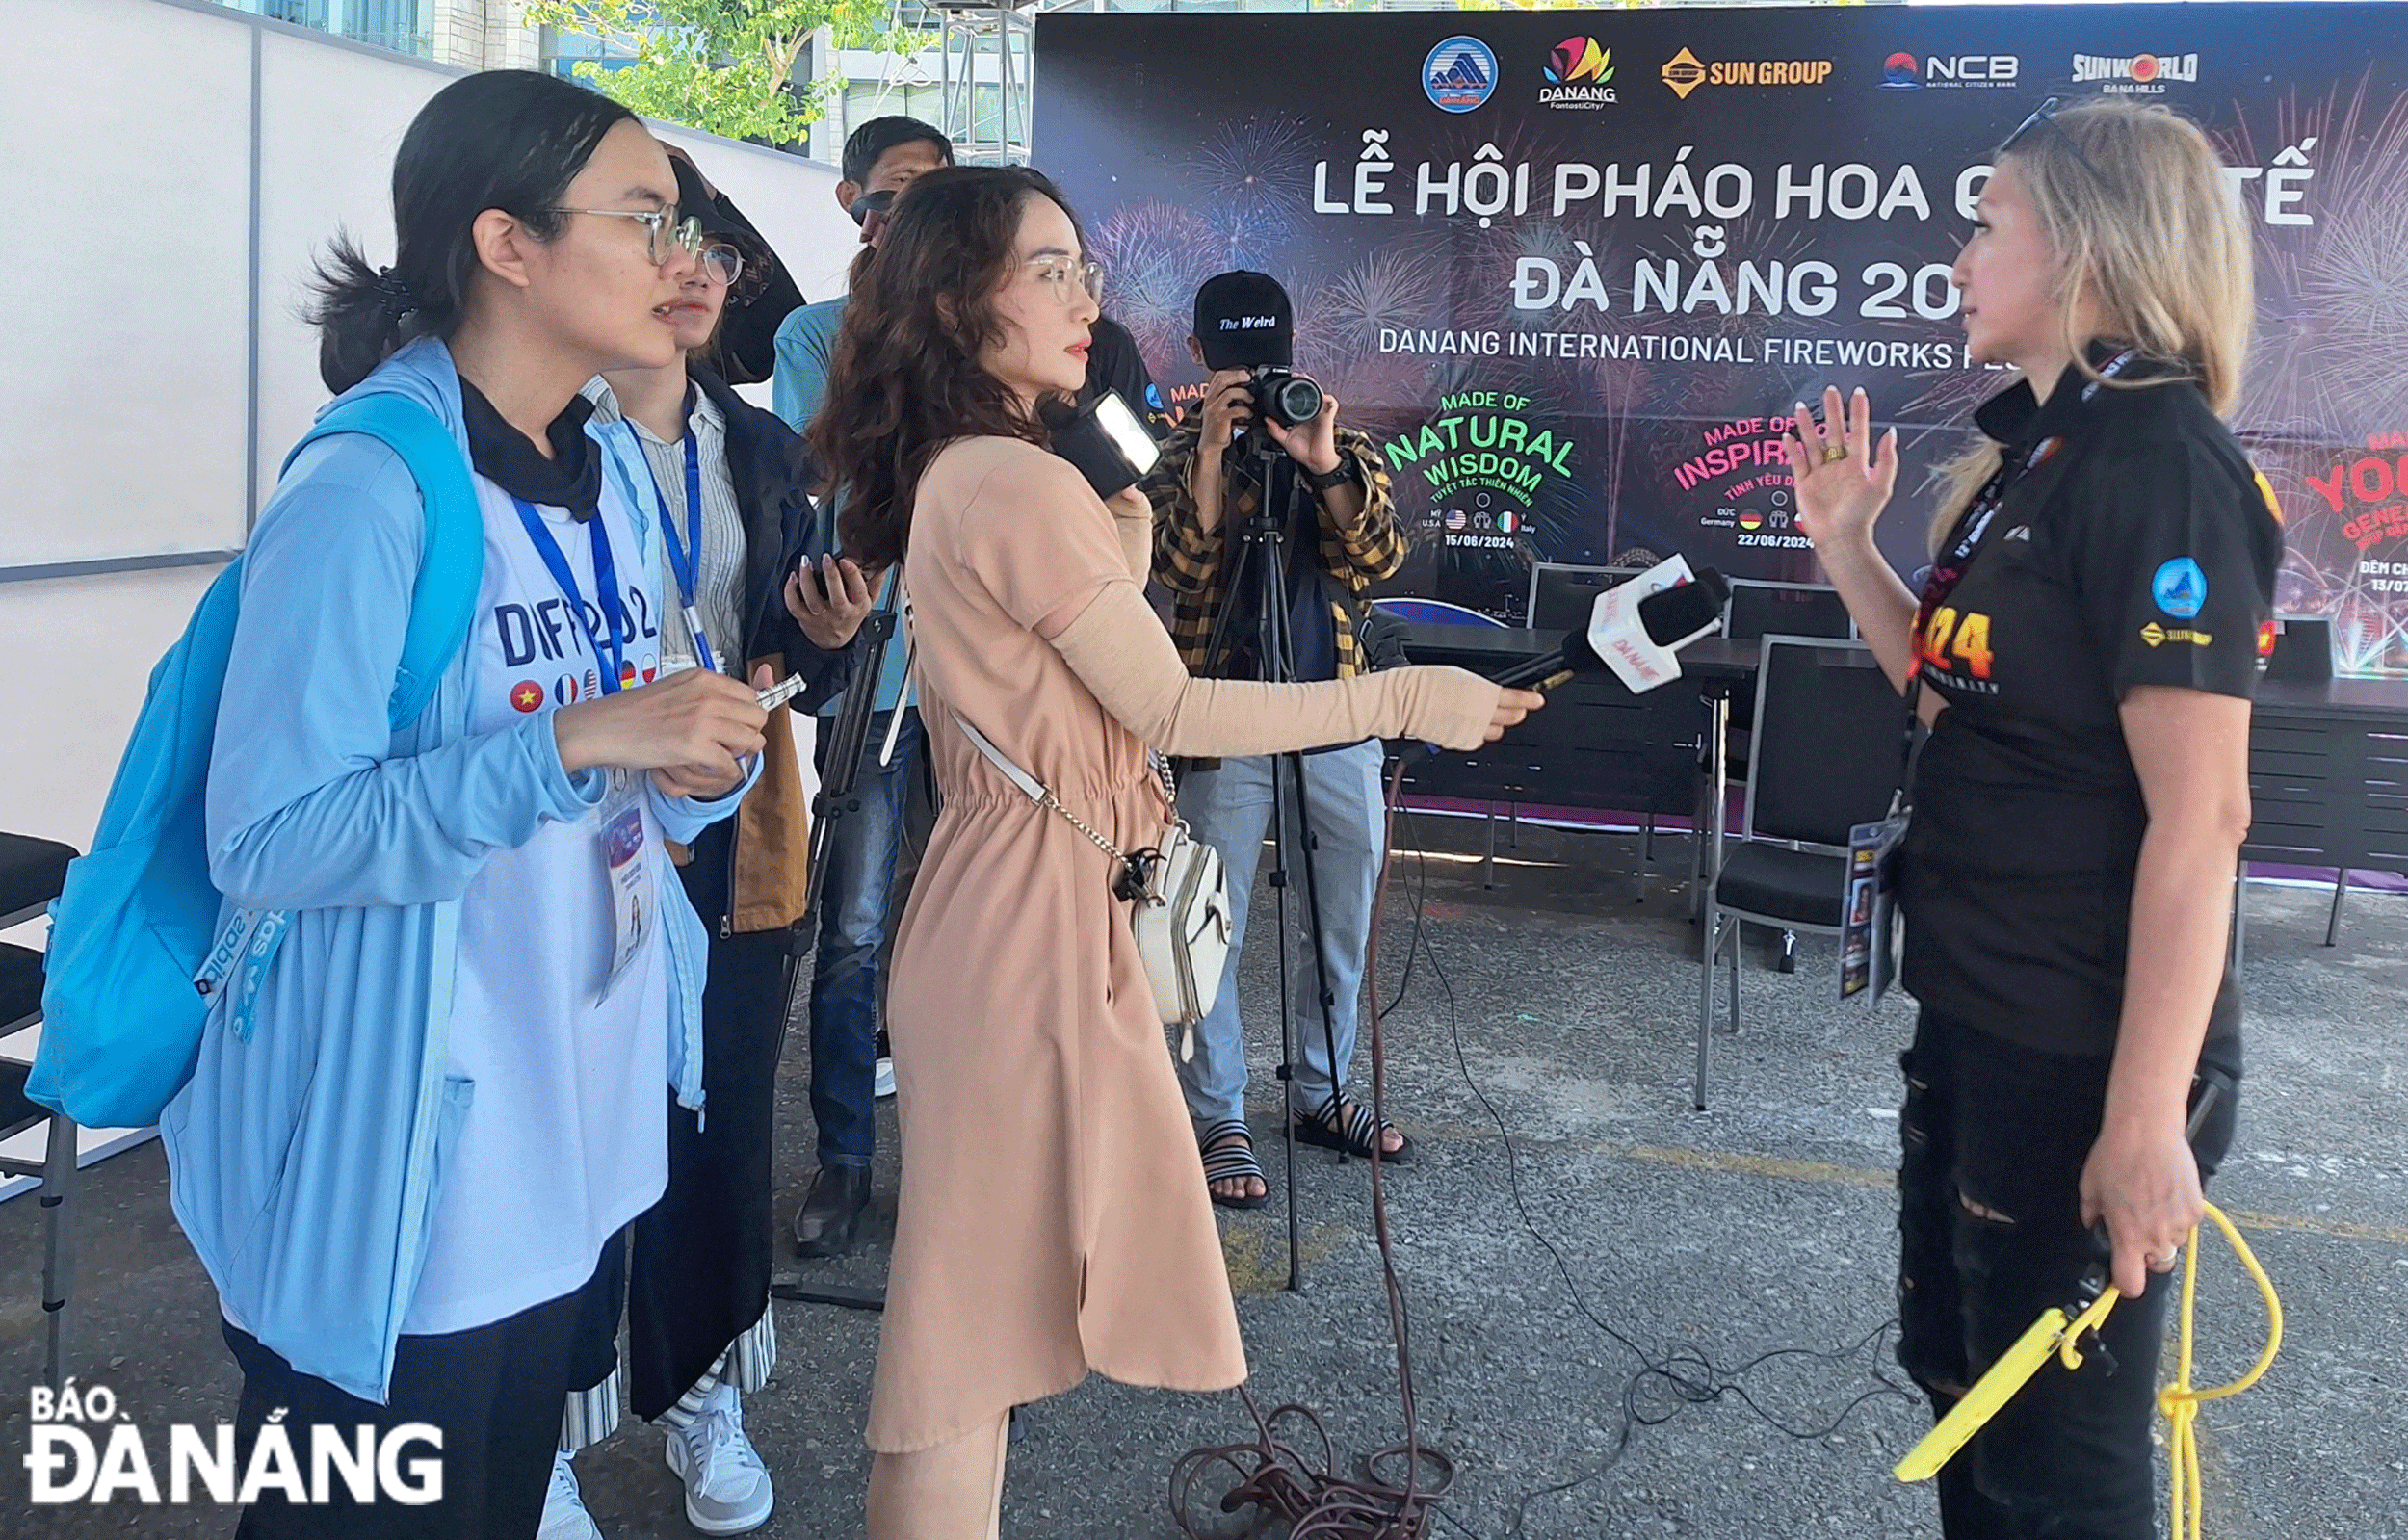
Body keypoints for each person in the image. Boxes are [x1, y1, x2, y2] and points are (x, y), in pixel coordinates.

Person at [807, 164, 1542, 1539]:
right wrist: (1402, 696)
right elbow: (1171, 702)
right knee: (964, 1355)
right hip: (1024, 922)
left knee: (985, 1339)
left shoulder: (994, 473)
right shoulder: (1011, 480)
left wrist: (1141, 505)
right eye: (1048, 269)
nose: (1085, 295)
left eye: (1085, 267)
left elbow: (1099, 652)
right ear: (959, 298)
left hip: (1018, 901)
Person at [170, 69, 773, 1539]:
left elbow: (631, 768)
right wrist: (572, 740)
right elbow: (268, 837)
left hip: (576, 1128)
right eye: (644, 218)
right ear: (508, 243)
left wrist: (707, 763)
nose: (681, 255)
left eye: (683, 221)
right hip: (415, 1168)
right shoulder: (371, 489)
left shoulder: (610, 472)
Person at [1785, 97, 2278, 1540]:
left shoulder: (2162, 464)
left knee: (2058, 1469)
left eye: (1986, 222)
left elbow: (2207, 817)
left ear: (2086, 251)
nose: (1958, 255)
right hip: (1983, 1017)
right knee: (1967, 1398)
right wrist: (1846, 550)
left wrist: (2143, 1123)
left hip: (2083, 1055)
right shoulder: (2045, 456)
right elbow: (1957, 703)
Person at [540, 150, 874, 1540]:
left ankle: (697, 1393)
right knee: (555, 1145)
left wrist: (829, 637)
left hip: (731, 849)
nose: (687, 268)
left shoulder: (765, 449)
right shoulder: (520, 442)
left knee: (716, 1133)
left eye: (712, 251)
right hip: (563, 847)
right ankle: (540, 1422)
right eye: (655, 236)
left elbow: (783, 650)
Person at [1139, 270, 1413, 1209]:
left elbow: (1377, 558)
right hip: (1219, 713)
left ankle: (1321, 1090)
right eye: (1234, 363)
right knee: (1201, 923)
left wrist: (1320, 458)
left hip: (1334, 712)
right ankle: (1216, 1114)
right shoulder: (1177, 456)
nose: (1252, 380)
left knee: (1343, 909)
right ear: (1199, 358)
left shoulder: (1346, 446)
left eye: (1267, 361)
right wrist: (1213, 450)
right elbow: (1170, 565)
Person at [772, 116, 954, 1257]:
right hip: (871, 674)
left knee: (976, 930)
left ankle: (957, 1169)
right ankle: (843, 1160)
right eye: (894, 197)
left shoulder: (989, 335)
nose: (915, 218)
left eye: (938, 194)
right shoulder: (815, 334)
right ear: (855, 207)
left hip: (982, 679)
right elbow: (814, 483)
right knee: (854, 930)